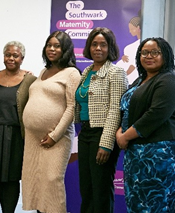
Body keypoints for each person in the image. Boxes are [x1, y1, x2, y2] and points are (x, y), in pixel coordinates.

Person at [116, 37, 175, 213]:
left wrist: (125, 136)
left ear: (165, 56)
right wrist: (120, 131)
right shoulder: (140, 80)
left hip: (161, 149)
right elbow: (127, 110)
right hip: (137, 148)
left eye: (155, 52)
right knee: (137, 198)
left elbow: (155, 115)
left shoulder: (169, 81)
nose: (149, 56)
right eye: (145, 52)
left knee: (155, 201)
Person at [21, 31, 81, 213]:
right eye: (49, 45)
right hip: (33, 138)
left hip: (57, 138)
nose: (52, 49)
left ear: (65, 49)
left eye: (57, 46)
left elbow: (72, 107)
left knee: (52, 181)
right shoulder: (43, 71)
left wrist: (55, 136)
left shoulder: (71, 73)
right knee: (36, 181)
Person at [75, 27, 128, 213]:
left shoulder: (116, 73)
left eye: (103, 45)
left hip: (102, 135)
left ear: (110, 47)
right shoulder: (86, 72)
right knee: (86, 189)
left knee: (101, 190)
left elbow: (116, 110)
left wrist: (106, 144)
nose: (98, 48)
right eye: (94, 44)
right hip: (86, 134)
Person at [0, 41, 36, 213]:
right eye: (8, 55)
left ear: (22, 58)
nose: (11, 58)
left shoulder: (30, 80)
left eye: (15, 55)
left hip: (16, 135)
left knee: (12, 178)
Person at [116, 16, 141, 84]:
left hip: (131, 78)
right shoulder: (131, 46)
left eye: (132, 29)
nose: (130, 31)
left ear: (138, 28)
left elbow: (133, 64)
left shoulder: (138, 45)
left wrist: (124, 75)